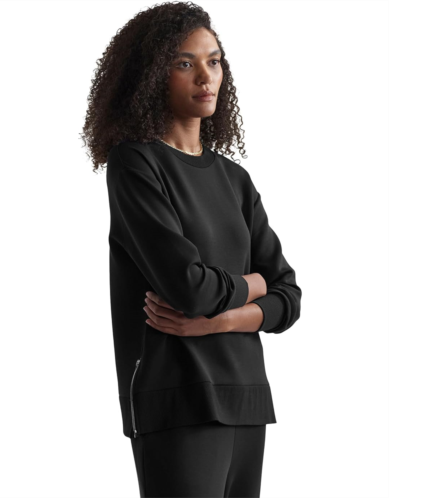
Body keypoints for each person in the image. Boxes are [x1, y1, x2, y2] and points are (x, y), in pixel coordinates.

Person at [81, 2, 302, 496]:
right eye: (185, 63)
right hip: (176, 400)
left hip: (247, 399)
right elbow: (190, 287)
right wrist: (253, 284)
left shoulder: (235, 179)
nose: (206, 77)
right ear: (151, 75)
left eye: (214, 61)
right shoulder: (135, 164)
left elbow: (288, 296)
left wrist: (219, 321)